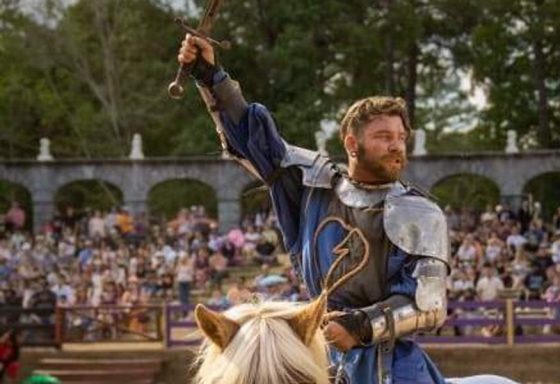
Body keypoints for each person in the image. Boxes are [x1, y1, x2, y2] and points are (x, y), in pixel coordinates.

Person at [177, 35, 452, 383]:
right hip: (316, 348)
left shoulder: (420, 213)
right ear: (352, 144)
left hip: (392, 364)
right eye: (384, 136)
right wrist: (210, 75)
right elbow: (254, 139)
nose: (396, 145)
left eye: (401, 137)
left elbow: (430, 306)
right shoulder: (314, 186)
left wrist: (362, 324)